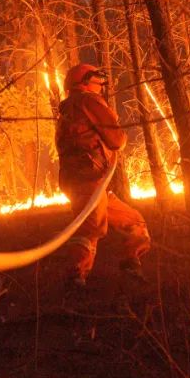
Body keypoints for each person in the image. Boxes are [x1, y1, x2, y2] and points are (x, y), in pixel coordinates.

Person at [54, 64, 151, 286]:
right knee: (91, 228)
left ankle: (131, 264)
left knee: (133, 221)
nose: (101, 85)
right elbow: (116, 140)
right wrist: (118, 132)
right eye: (97, 80)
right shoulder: (88, 101)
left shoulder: (68, 109)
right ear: (85, 82)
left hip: (86, 181)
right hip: (89, 180)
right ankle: (75, 279)